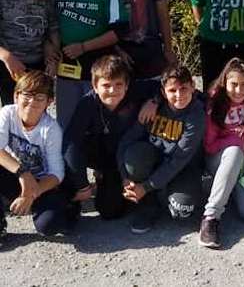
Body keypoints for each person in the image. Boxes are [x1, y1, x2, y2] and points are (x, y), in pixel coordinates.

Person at [62, 55, 160, 220]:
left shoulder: (135, 91)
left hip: (129, 154)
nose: (113, 91)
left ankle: (144, 190)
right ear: (95, 86)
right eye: (106, 85)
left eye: (118, 84)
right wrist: (82, 183)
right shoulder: (87, 103)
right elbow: (71, 143)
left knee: (138, 157)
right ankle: (97, 183)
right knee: (109, 211)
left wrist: (154, 101)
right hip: (105, 157)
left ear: (127, 85)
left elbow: (163, 83)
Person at [118, 65, 205, 234]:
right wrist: (124, 177)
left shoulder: (197, 115)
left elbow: (178, 160)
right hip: (154, 161)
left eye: (184, 88)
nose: (179, 95)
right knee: (134, 156)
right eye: (172, 90)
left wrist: (145, 187)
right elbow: (126, 141)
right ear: (163, 93)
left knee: (182, 211)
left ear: (193, 87)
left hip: (183, 168)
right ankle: (148, 205)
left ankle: (162, 192)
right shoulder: (152, 108)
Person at [54, 0, 127, 130]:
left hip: (98, 69)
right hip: (66, 68)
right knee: (66, 124)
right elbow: (50, 28)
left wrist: (84, 47)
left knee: (96, 124)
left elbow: (119, 31)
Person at [200, 58, 244, 249]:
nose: (239, 90)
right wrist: (238, 142)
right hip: (220, 159)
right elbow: (209, 146)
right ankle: (211, 217)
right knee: (235, 152)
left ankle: (228, 189)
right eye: (234, 84)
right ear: (224, 83)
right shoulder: (215, 104)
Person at [0, 71, 71, 238]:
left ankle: (70, 209)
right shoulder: (7, 113)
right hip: (16, 174)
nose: (32, 102)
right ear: (16, 96)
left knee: (48, 225)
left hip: (41, 183)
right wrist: (23, 173)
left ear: (49, 102)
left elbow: (56, 173)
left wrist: (31, 194)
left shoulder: (51, 129)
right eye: (27, 95)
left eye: (39, 97)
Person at [0, 0, 59, 106]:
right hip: (9, 67)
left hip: (39, 64)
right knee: (11, 113)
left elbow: (52, 24)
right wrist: (6, 56)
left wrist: (54, 55)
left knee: (37, 111)